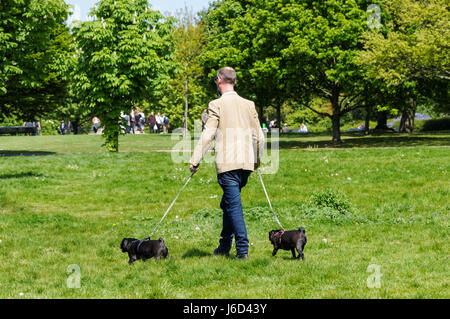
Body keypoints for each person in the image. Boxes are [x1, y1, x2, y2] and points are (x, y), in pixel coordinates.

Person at [189, 67, 265, 260]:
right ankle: (224, 245)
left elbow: (208, 134)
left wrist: (195, 160)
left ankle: (242, 250)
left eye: (216, 80)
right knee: (229, 204)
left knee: (234, 206)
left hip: (228, 165)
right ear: (235, 81)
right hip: (246, 165)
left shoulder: (216, 104)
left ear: (219, 80)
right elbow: (260, 137)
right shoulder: (249, 104)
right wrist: (256, 160)